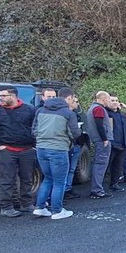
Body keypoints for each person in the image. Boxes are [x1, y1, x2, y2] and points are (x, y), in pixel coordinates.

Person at [0, 85, 37, 217]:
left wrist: (34, 144)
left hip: (27, 149)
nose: (0, 98)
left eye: (3, 96)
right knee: (6, 180)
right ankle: (6, 207)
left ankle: (26, 204)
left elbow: (35, 127)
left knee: (27, 179)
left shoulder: (29, 109)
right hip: (7, 150)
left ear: (13, 96)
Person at [32, 87, 81, 220]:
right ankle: (57, 210)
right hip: (59, 149)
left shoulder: (40, 110)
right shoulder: (68, 113)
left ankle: (40, 207)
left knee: (47, 179)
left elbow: (34, 130)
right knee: (60, 181)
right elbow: (75, 133)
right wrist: (69, 140)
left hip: (41, 149)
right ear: (69, 98)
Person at [83, 91, 114, 199]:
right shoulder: (99, 109)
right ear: (104, 99)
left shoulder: (92, 108)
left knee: (98, 163)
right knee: (101, 165)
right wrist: (104, 138)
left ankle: (96, 189)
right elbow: (99, 124)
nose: (109, 101)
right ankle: (97, 190)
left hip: (97, 140)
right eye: (108, 99)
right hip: (102, 141)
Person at [107, 95, 126, 191]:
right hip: (112, 144)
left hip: (123, 144)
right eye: (112, 100)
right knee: (106, 166)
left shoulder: (122, 115)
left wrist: (124, 105)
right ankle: (98, 186)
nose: (115, 102)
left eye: (116, 100)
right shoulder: (106, 113)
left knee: (117, 166)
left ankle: (114, 184)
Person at [64, 95, 86, 200]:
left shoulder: (76, 115)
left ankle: (68, 188)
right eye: (75, 101)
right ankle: (65, 191)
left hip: (77, 144)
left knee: (72, 169)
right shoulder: (67, 114)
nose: (77, 103)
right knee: (67, 169)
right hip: (69, 145)